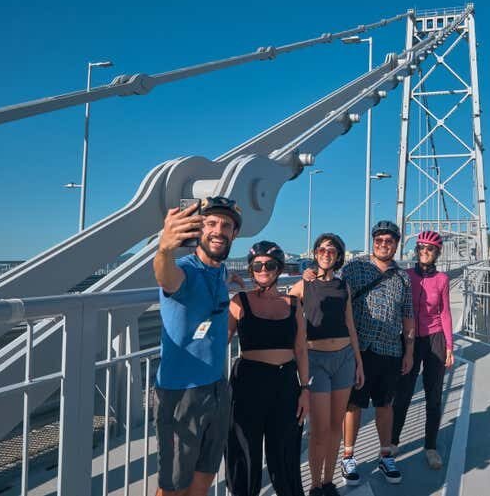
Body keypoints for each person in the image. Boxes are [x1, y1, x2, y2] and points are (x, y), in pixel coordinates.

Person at [153, 196, 242, 496]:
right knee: (172, 488)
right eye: (210, 223)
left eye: (226, 226)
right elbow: (165, 276)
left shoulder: (218, 271)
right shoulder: (184, 270)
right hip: (181, 394)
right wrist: (164, 249)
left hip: (217, 387)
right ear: (197, 230)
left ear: (234, 234)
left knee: (203, 480)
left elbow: (217, 273)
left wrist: (230, 278)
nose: (218, 230)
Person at [225, 241, 309, 496]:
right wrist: (219, 290)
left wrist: (305, 389)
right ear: (251, 270)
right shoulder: (240, 301)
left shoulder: (293, 304)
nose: (263, 270)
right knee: (244, 454)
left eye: (269, 265)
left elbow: (301, 349)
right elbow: (219, 341)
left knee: (285, 454)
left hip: (285, 383)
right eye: (257, 266)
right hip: (248, 382)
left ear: (278, 269)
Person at [339, 221, 414, 485]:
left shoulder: (402, 277)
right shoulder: (354, 267)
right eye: (379, 240)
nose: (383, 244)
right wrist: (311, 275)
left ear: (397, 244)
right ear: (373, 242)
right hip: (359, 350)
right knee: (353, 405)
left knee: (385, 405)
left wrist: (409, 352)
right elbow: (332, 289)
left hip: (391, 349)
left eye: (389, 241)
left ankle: (385, 456)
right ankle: (348, 457)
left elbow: (408, 315)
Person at [289, 233, 365, 496]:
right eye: (321, 250)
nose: (326, 254)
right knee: (319, 429)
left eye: (331, 250)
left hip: (344, 358)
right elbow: (280, 304)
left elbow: (350, 326)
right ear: (315, 254)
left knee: (335, 426)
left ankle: (329, 481)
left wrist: (359, 363)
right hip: (315, 360)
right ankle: (314, 485)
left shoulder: (344, 287)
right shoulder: (304, 285)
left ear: (338, 256)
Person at [391, 230, 455, 470]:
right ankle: (393, 442)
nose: (424, 252)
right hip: (409, 338)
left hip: (435, 338)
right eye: (420, 248)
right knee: (403, 392)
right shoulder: (406, 276)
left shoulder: (442, 279)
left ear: (437, 252)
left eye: (429, 249)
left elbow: (445, 313)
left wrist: (449, 346)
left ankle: (430, 447)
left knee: (434, 394)